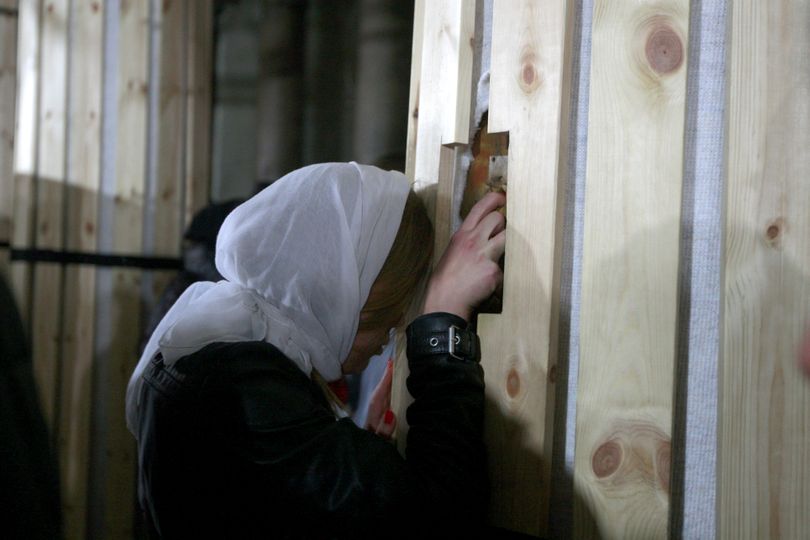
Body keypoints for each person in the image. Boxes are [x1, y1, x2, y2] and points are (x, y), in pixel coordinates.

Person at [126, 162, 506, 538]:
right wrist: (442, 323)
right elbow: (440, 519)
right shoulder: (242, 386)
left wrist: (358, 461)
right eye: (394, 314)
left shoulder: (216, 346)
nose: (389, 336)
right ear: (347, 292)